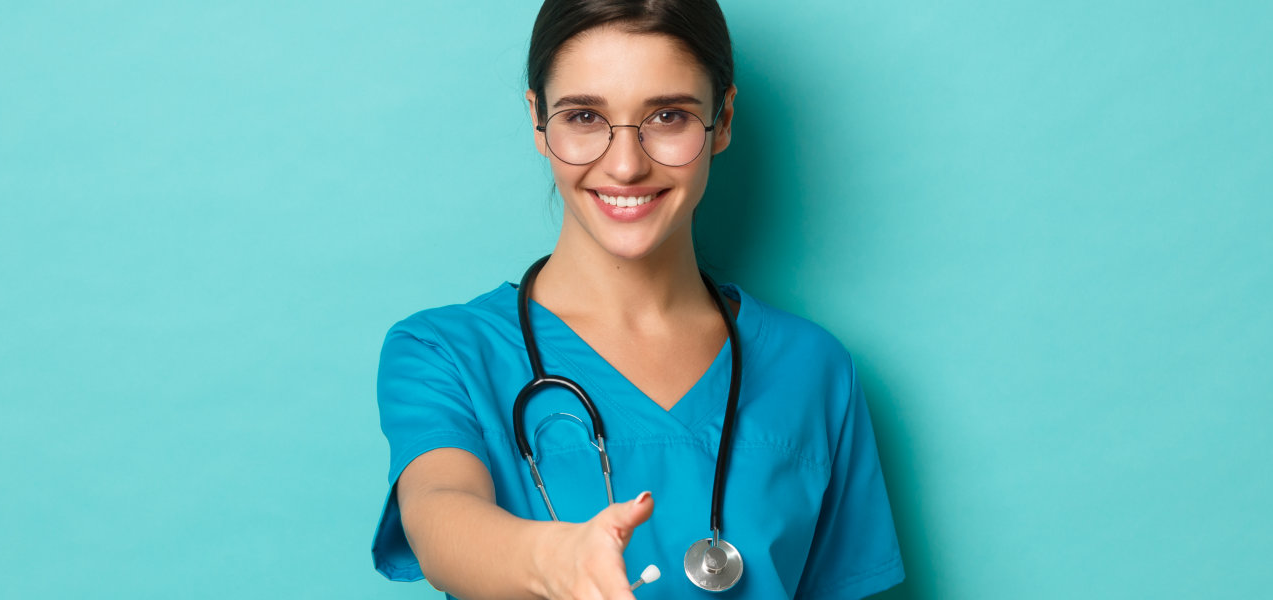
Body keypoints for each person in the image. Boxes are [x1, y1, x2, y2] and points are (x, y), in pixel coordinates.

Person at [371, 1, 903, 597]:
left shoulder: (812, 369)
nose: (625, 165)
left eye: (669, 116)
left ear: (722, 120)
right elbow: (439, 516)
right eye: (584, 117)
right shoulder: (446, 355)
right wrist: (556, 560)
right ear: (538, 121)